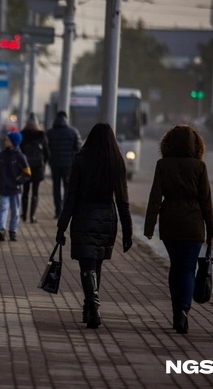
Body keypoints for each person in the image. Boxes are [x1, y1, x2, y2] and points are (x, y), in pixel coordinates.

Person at [55, 122, 133, 329]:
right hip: (107, 218)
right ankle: (89, 308)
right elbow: (123, 200)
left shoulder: (81, 160)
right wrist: (128, 232)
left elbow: (70, 198)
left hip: (84, 216)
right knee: (96, 264)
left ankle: (94, 308)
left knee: (87, 265)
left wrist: (61, 226)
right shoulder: (116, 161)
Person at [143, 124, 213, 334]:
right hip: (194, 225)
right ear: (196, 145)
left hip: (170, 223)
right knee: (187, 268)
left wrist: (149, 227)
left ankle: (177, 311)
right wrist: (211, 231)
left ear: (168, 143)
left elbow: (155, 197)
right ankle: (183, 310)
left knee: (176, 267)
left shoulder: (163, 165)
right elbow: (206, 201)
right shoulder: (199, 167)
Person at [0, 131, 31, 242]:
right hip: (3, 187)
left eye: (7, 140)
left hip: (15, 189)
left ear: (13, 142)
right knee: (3, 209)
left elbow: (27, 172)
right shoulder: (1, 155)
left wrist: (18, 181)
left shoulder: (20, 157)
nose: (5, 141)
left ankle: (13, 231)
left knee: (15, 210)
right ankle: (2, 229)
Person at [46, 110, 82, 218]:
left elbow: (46, 149)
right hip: (68, 165)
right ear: (66, 118)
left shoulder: (50, 133)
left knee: (56, 187)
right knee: (67, 187)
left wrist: (50, 159)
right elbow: (78, 148)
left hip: (54, 164)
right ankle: (66, 211)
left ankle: (58, 211)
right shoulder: (73, 132)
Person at [19, 112, 50, 223]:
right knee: (35, 192)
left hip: (25, 167)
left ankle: (24, 215)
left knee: (25, 191)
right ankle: (32, 216)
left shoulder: (22, 134)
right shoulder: (41, 135)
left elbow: (19, 152)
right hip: (37, 167)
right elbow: (47, 153)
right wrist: (43, 164)